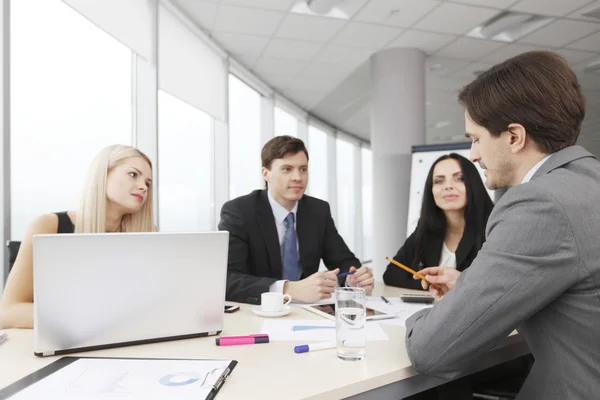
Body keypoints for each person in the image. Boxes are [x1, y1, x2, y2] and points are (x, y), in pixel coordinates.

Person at [405, 51, 600, 399]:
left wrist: (428, 319)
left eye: (476, 138)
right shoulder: (588, 182)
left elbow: (430, 350)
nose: (474, 154)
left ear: (513, 137)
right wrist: (469, 285)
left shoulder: (539, 204)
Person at [0, 144, 155, 329]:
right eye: (133, 174)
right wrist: (88, 317)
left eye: (147, 183)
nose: (143, 187)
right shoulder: (48, 225)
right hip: (63, 343)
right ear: (103, 175)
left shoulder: (149, 233)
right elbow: (8, 313)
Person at [219, 135, 374, 304]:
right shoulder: (240, 212)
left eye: (303, 169)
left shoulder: (318, 211)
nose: (298, 177)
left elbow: (344, 261)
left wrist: (352, 280)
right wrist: (288, 289)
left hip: (308, 312)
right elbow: (228, 279)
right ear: (266, 174)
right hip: (258, 313)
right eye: (287, 169)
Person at [383, 153, 493, 289]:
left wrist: (458, 285)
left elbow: (499, 284)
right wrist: (434, 284)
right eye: (439, 181)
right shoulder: (427, 228)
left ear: (473, 184)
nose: (448, 186)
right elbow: (392, 274)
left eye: (459, 179)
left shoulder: (494, 227)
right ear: (431, 190)